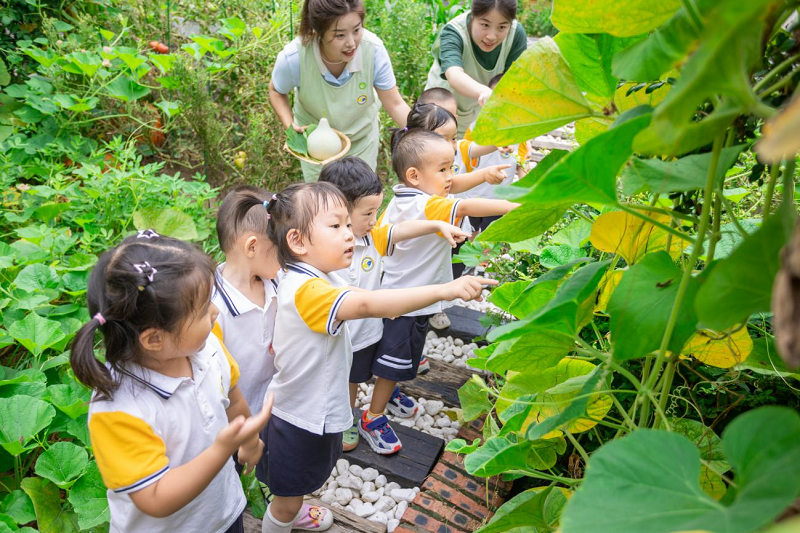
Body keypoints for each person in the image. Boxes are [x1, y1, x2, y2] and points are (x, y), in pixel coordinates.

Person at [258, 182, 495, 532]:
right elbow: (368, 304)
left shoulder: (315, 277)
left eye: (346, 223)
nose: (349, 233)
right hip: (299, 419)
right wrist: (446, 290)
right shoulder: (309, 290)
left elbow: (367, 285)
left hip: (310, 410)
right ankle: (280, 521)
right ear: (298, 242)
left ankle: (292, 510)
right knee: (288, 494)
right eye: (335, 226)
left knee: (301, 483)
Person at [70, 232, 272, 533]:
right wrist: (221, 450)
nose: (215, 312)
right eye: (204, 310)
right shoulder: (119, 411)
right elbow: (154, 499)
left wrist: (250, 441)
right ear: (154, 338)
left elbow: (234, 398)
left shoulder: (209, 347)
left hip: (223, 512)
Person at [366, 130, 517, 454]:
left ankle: (388, 393)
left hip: (409, 298)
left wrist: (482, 177)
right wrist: (518, 205)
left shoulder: (405, 198)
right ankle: (373, 416)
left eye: (451, 168)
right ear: (414, 175)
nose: (452, 177)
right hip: (406, 305)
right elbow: (470, 202)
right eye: (444, 169)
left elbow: (457, 193)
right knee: (393, 363)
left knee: (402, 359)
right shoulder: (429, 205)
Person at [319, 156, 470, 453]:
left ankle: (371, 412)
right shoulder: (324, 251)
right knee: (348, 378)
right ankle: (347, 417)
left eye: (376, 211)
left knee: (368, 369)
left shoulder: (373, 236)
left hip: (370, 330)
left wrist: (437, 224)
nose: (376, 219)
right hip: (342, 334)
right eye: (368, 213)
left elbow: (401, 230)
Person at [394, 100, 509, 329]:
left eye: (453, 138)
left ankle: (436, 303)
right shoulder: (419, 190)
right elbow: (462, 202)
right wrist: (512, 205)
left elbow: (455, 182)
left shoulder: (448, 158)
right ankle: (429, 308)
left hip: (451, 231)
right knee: (428, 277)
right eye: (441, 138)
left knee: (451, 267)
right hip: (432, 240)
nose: (451, 145)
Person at [269, 0, 411, 182]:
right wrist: (290, 126)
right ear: (318, 31)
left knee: (360, 200)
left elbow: (395, 103)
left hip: (361, 139)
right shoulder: (295, 57)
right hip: (317, 147)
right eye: (339, 35)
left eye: (357, 30)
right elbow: (276, 90)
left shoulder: (373, 50)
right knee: (323, 202)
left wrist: (422, 136)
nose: (351, 43)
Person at [425, 0, 527, 136]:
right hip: (438, 120)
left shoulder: (516, 35)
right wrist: (483, 91)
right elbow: (454, 74)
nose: (491, 36)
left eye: (502, 27)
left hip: (478, 125)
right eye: (485, 25)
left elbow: (515, 84)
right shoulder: (454, 32)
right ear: (473, 15)